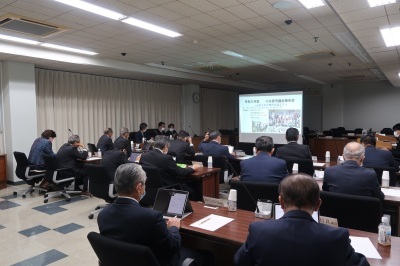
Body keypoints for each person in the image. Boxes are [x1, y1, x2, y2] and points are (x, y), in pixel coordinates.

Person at [234, 173, 369, 266]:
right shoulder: (337, 236)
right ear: (318, 204)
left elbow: (239, 262)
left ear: (280, 202)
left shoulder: (259, 230)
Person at [97, 163, 180, 265]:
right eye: (144, 184)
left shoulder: (103, 215)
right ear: (139, 187)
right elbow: (172, 247)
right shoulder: (152, 218)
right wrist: (173, 228)